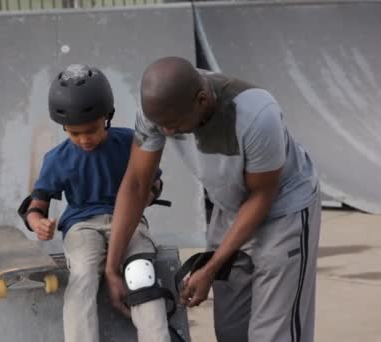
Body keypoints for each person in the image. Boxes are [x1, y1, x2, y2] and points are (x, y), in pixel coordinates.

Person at [105, 56, 321, 342]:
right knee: (232, 330)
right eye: (161, 125)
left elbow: (261, 195)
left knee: (272, 333)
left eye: (174, 125)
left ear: (202, 100)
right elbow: (135, 184)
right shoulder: (159, 112)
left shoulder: (256, 115)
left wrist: (211, 268)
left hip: (284, 212)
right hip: (229, 206)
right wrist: (112, 267)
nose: (166, 132)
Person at [19, 64, 172, 342]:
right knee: (83, 276)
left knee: (140, 274)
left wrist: (146, 198)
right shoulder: (56, 158)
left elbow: (155, 183)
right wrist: (37, 223)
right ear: (63, 127)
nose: (84, 139)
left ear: (107, 117)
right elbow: (36, 204)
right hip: (82, 226)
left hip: (129, 222)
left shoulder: (130, 143)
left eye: (91, 130)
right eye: (74, 133)